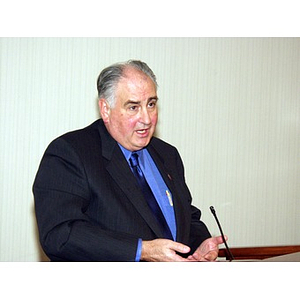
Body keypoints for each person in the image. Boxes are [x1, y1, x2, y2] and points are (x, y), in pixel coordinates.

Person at [33, 60, 226, 261]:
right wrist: (142, 250)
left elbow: (186, 216)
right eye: (133, 107)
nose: (147, 118)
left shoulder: (167, 154)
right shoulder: (71, 153)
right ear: (106, 109)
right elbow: (60, 235)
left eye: (151, 104)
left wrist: (200, 243)